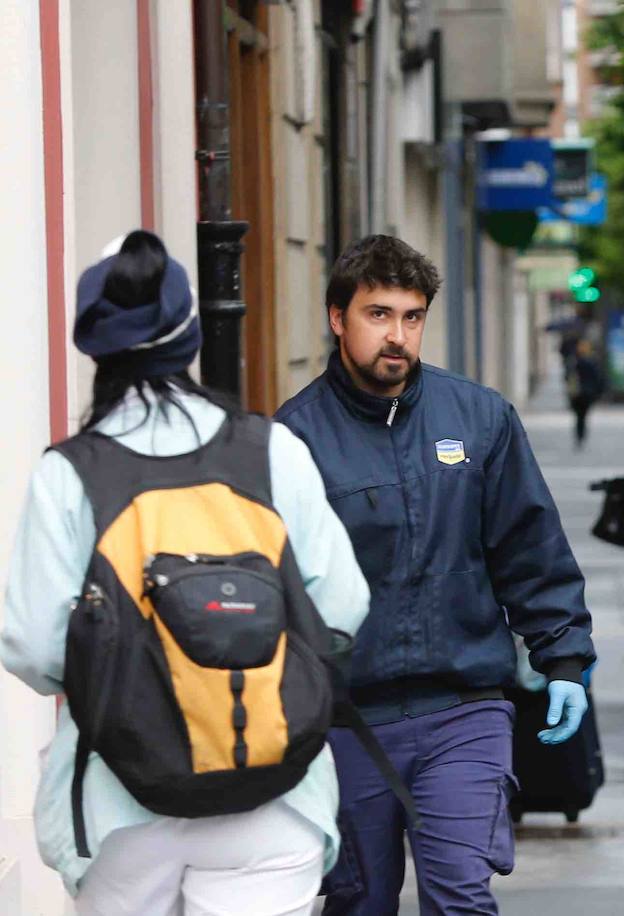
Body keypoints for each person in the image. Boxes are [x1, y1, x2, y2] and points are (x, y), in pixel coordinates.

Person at [0, 230, 369, 914]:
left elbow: (30, 643)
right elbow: (342, 607)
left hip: (120, 799)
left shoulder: (70, 474)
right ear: (191, 338)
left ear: (97, 350)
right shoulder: (273, 451)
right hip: (274, 792)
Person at [275, 234, 596, 915]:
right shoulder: (293, 440)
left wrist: (562, 658)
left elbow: (529, 548)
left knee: (461, 899)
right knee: (358, 903)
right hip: (347, 722)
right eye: (379, 315)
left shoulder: (479, 419)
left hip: (465, 709)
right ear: (338, 319)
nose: (398, 335)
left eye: (412, 317)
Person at [567, 338, 606, 449]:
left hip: (577, 393)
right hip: (588, 393)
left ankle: (579, 435)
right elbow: (598, 378)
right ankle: (582, 435)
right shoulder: (592, 362)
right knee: (583, 416)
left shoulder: (574, 362)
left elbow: (568, 377)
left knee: (578, 416)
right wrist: (599, 392)